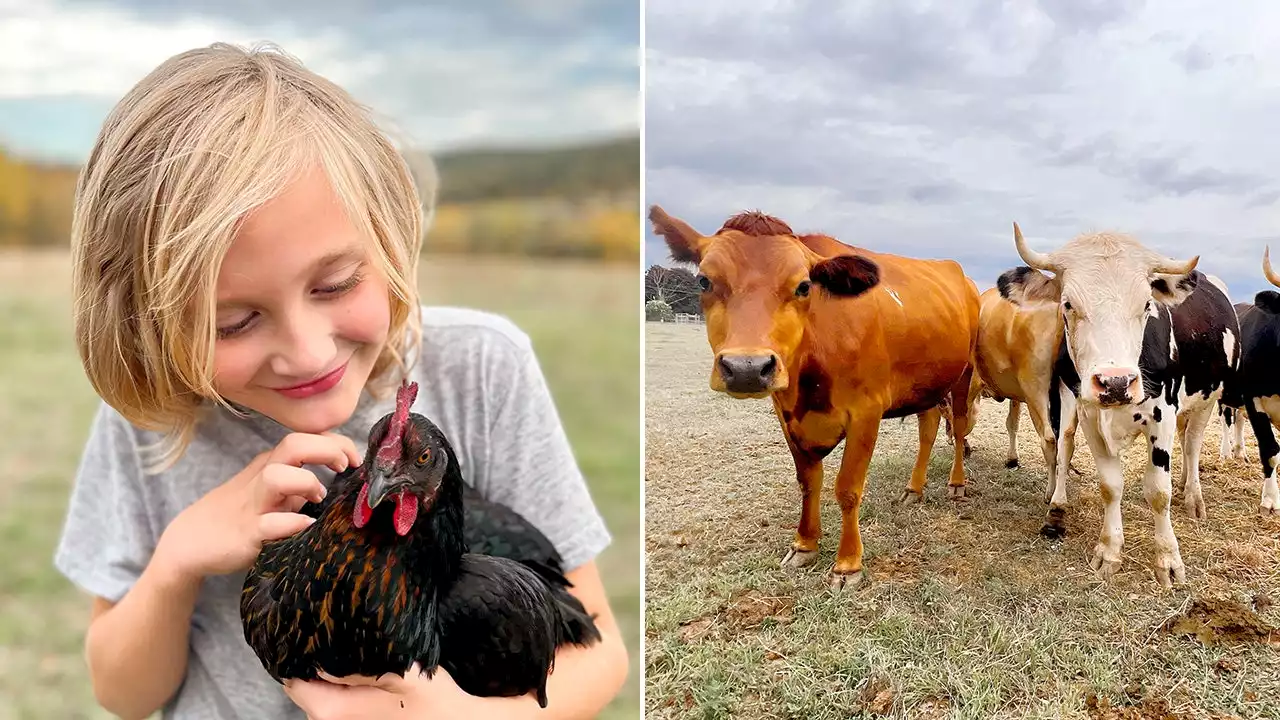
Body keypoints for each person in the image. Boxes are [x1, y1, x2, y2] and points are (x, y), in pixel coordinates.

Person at [53, 41, 629, 719]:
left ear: (389, 236)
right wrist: (176, 560)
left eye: (335, 283)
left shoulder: (481, 368)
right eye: (233, 322)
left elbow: (601, 651)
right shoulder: (150, 422)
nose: (305, 351)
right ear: (150, 327)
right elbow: (121, 694)